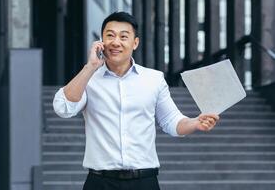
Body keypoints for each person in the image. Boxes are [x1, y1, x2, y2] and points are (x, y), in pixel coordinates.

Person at [53, 11, 219, 190]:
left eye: (123, 36)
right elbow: (63, 108)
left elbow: (172, 121)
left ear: (135, 43)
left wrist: (196, 123)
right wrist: (90, 67)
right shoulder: (88, 79)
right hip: (100, 182)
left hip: (144, 181)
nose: (116, 42)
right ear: (101, 41)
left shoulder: (153, 79)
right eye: (110, 35)